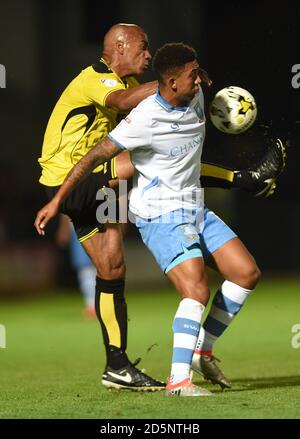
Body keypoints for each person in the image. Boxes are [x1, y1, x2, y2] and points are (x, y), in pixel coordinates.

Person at [35, 22, 286, 391]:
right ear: (119, 48)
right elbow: (121, 106)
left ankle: (117, 365)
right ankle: (241, 179)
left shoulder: (138, 89)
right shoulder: (97, 80)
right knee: (147, 162)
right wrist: (175, 80)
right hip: (66, 177)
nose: (147, 54)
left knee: (112, 269)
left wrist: (186, 82)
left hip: (99, 183)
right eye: (142, 47)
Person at [55, 214, 97, 319]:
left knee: (96, 267)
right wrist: (64, 228)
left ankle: (96, 304)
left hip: (99, 224)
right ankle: (92, 305)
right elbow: (67, 206)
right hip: (80, 226)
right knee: (85, 268)